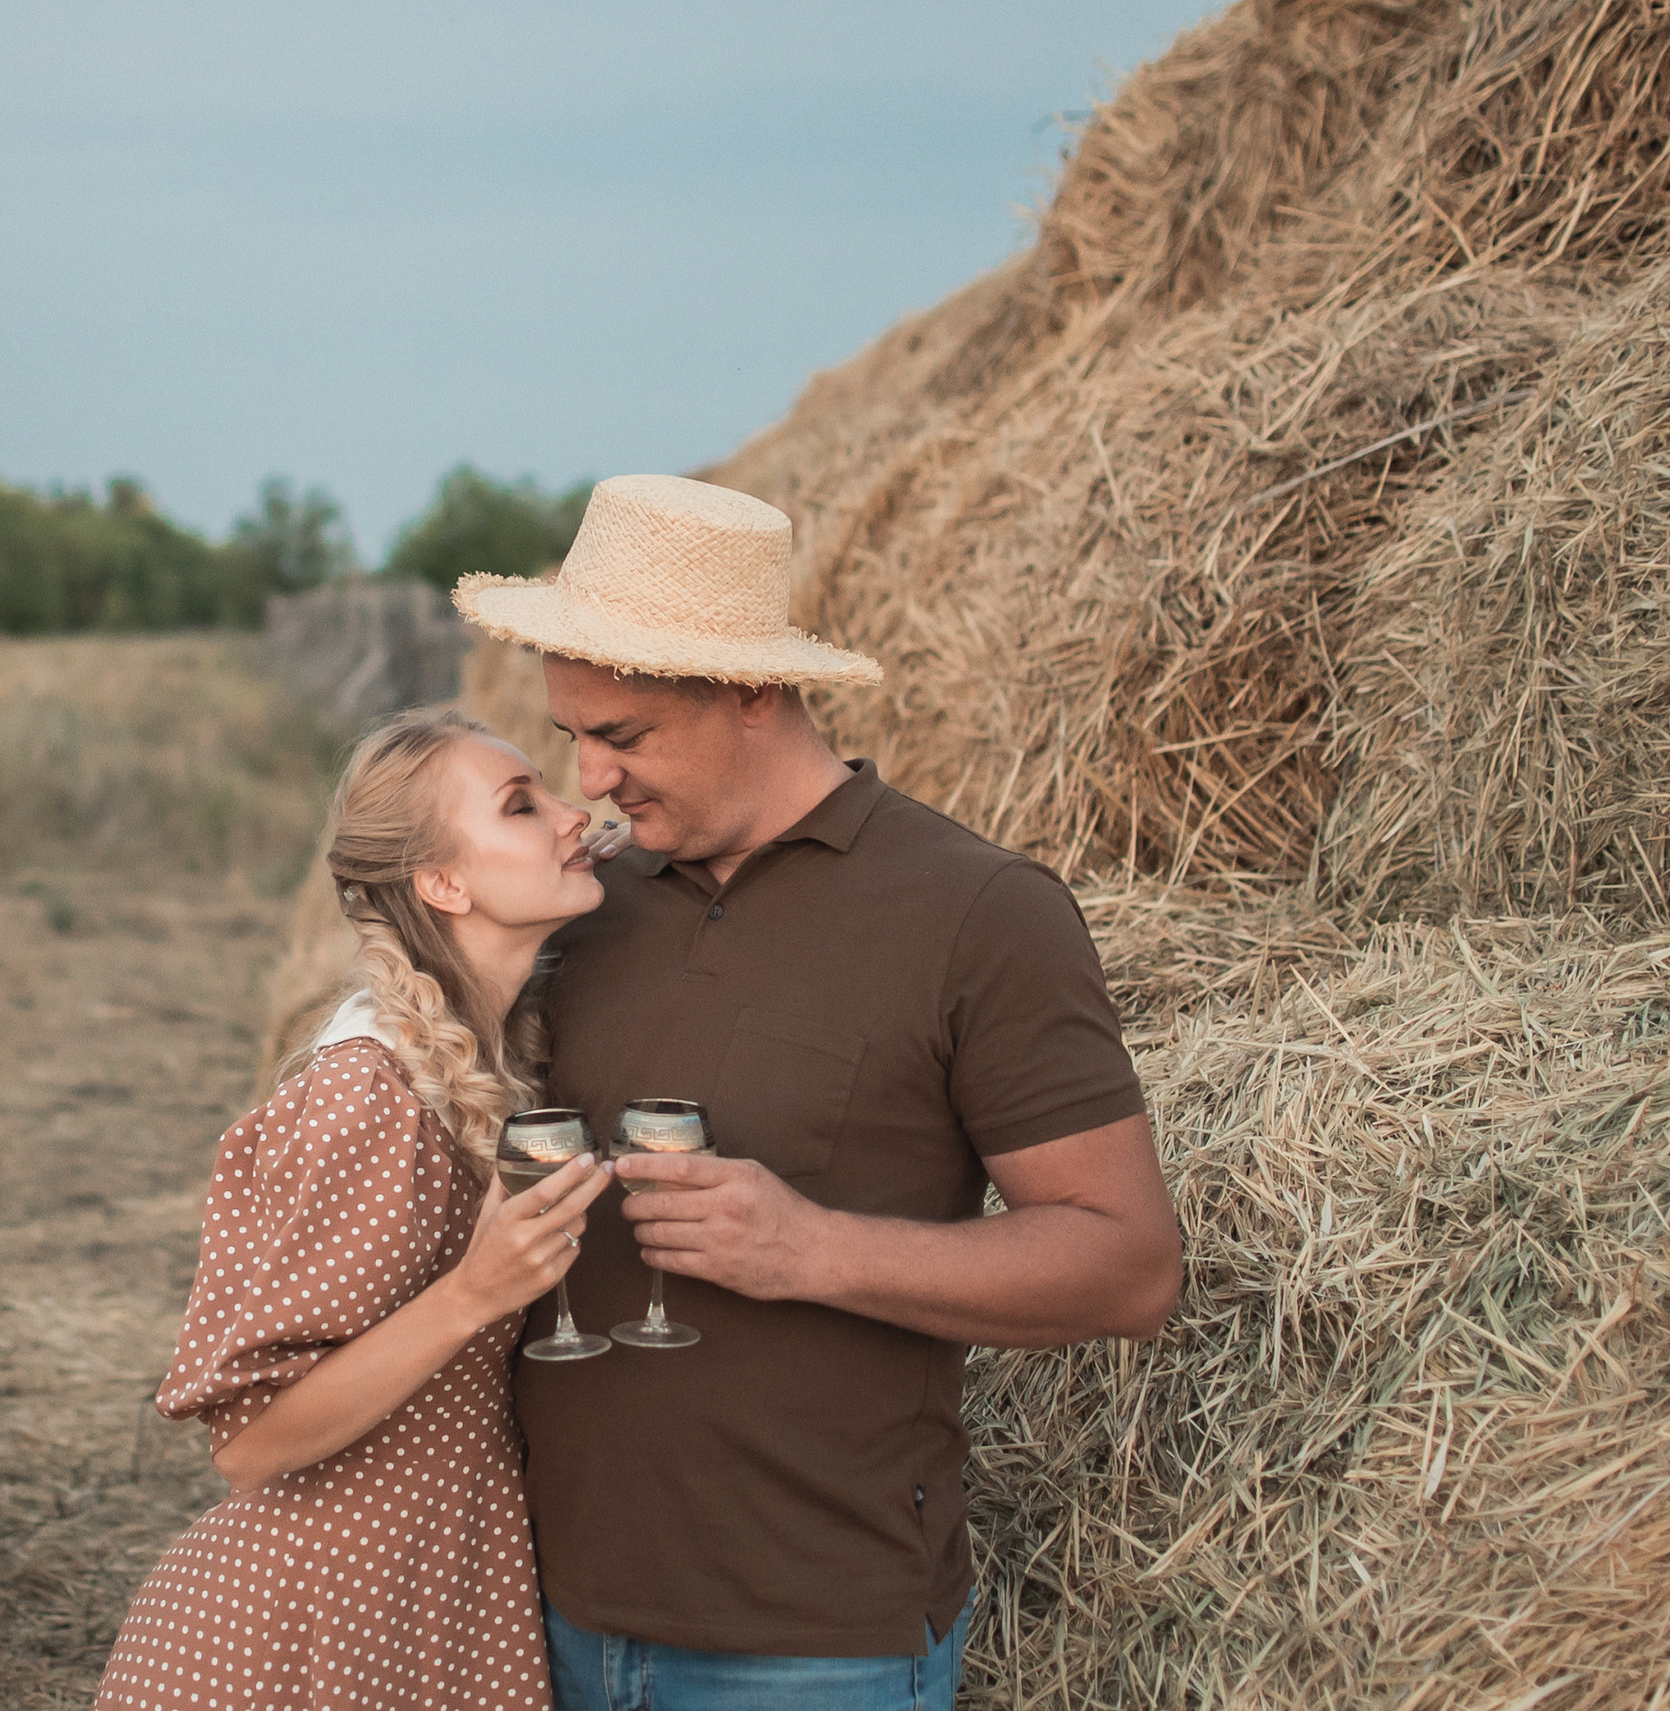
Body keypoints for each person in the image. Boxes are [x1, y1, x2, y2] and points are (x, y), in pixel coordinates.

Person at [452, 474, 1185, 1711]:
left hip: (813, 1647)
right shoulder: (582, 904)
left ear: (750, 689)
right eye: (570, 734)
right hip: (542, 1618)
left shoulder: (977, 913)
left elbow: (1129, 1265)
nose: (589, 781)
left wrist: (812, 1248)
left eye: (623, 737)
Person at [95, 710, 617, 1710]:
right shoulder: (369, 1093)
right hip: (305, 1634)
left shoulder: (487, 1061)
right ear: (443, 883)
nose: (573, 814)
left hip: (424, 1597)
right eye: (522, 804)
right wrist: (476, 1292)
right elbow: (249, 1443)